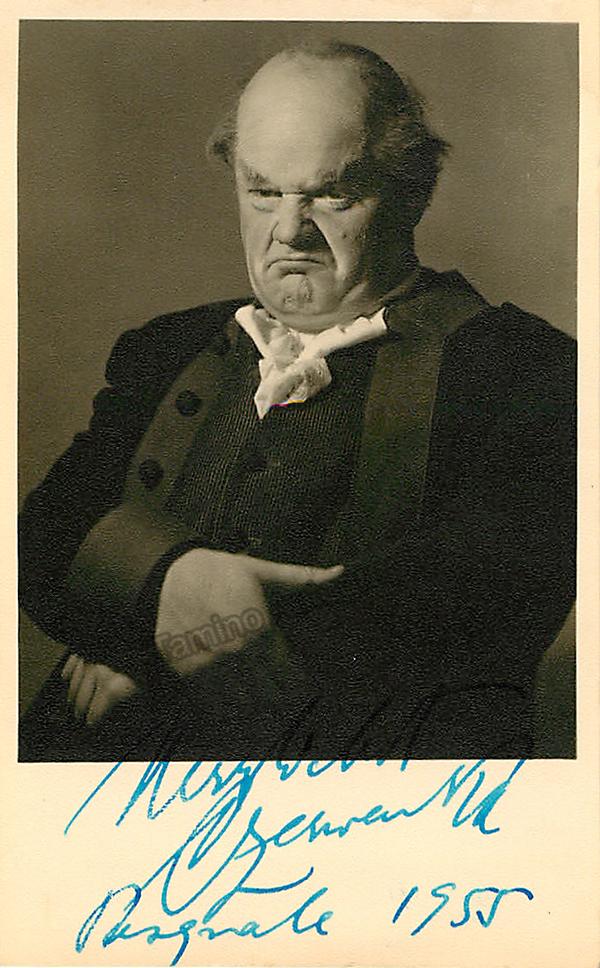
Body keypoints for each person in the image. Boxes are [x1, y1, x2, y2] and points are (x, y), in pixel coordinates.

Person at [19, 41, 576, 761]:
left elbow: (485, 599)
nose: (289, 229)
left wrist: (158, 653)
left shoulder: (526, 370)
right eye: (263, 192)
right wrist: (166, 583)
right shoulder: (165, 349)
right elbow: (44, 534)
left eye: (331, 194)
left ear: (413, 192)